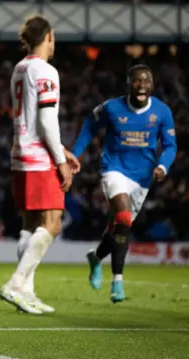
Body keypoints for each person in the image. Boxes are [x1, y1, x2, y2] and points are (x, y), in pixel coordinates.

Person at [71, 64, 177, 303]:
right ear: (128, 84)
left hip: (143, 177)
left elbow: (170, 145)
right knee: (124, 219)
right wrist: (74, 154)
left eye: (146, 81)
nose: (141, 85)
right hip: (114, 169)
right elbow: (89, 126)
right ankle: (117, 282)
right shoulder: (111, 108)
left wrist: (163, 166)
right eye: (137, 81)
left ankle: (96, 258)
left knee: (119, 229)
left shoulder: (162, 112)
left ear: (152, 85)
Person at [0, 15, 80, 315]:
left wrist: (63, 150)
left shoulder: (19, 69)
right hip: (39, 158)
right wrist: (60, 161)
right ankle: (16, 284)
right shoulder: (46, 70)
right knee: (52, 223)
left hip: (20, 155)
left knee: (29, 225)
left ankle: (27, 294)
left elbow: (32, 119)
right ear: (47, 36)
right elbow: (46, 120)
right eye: (53, 37)